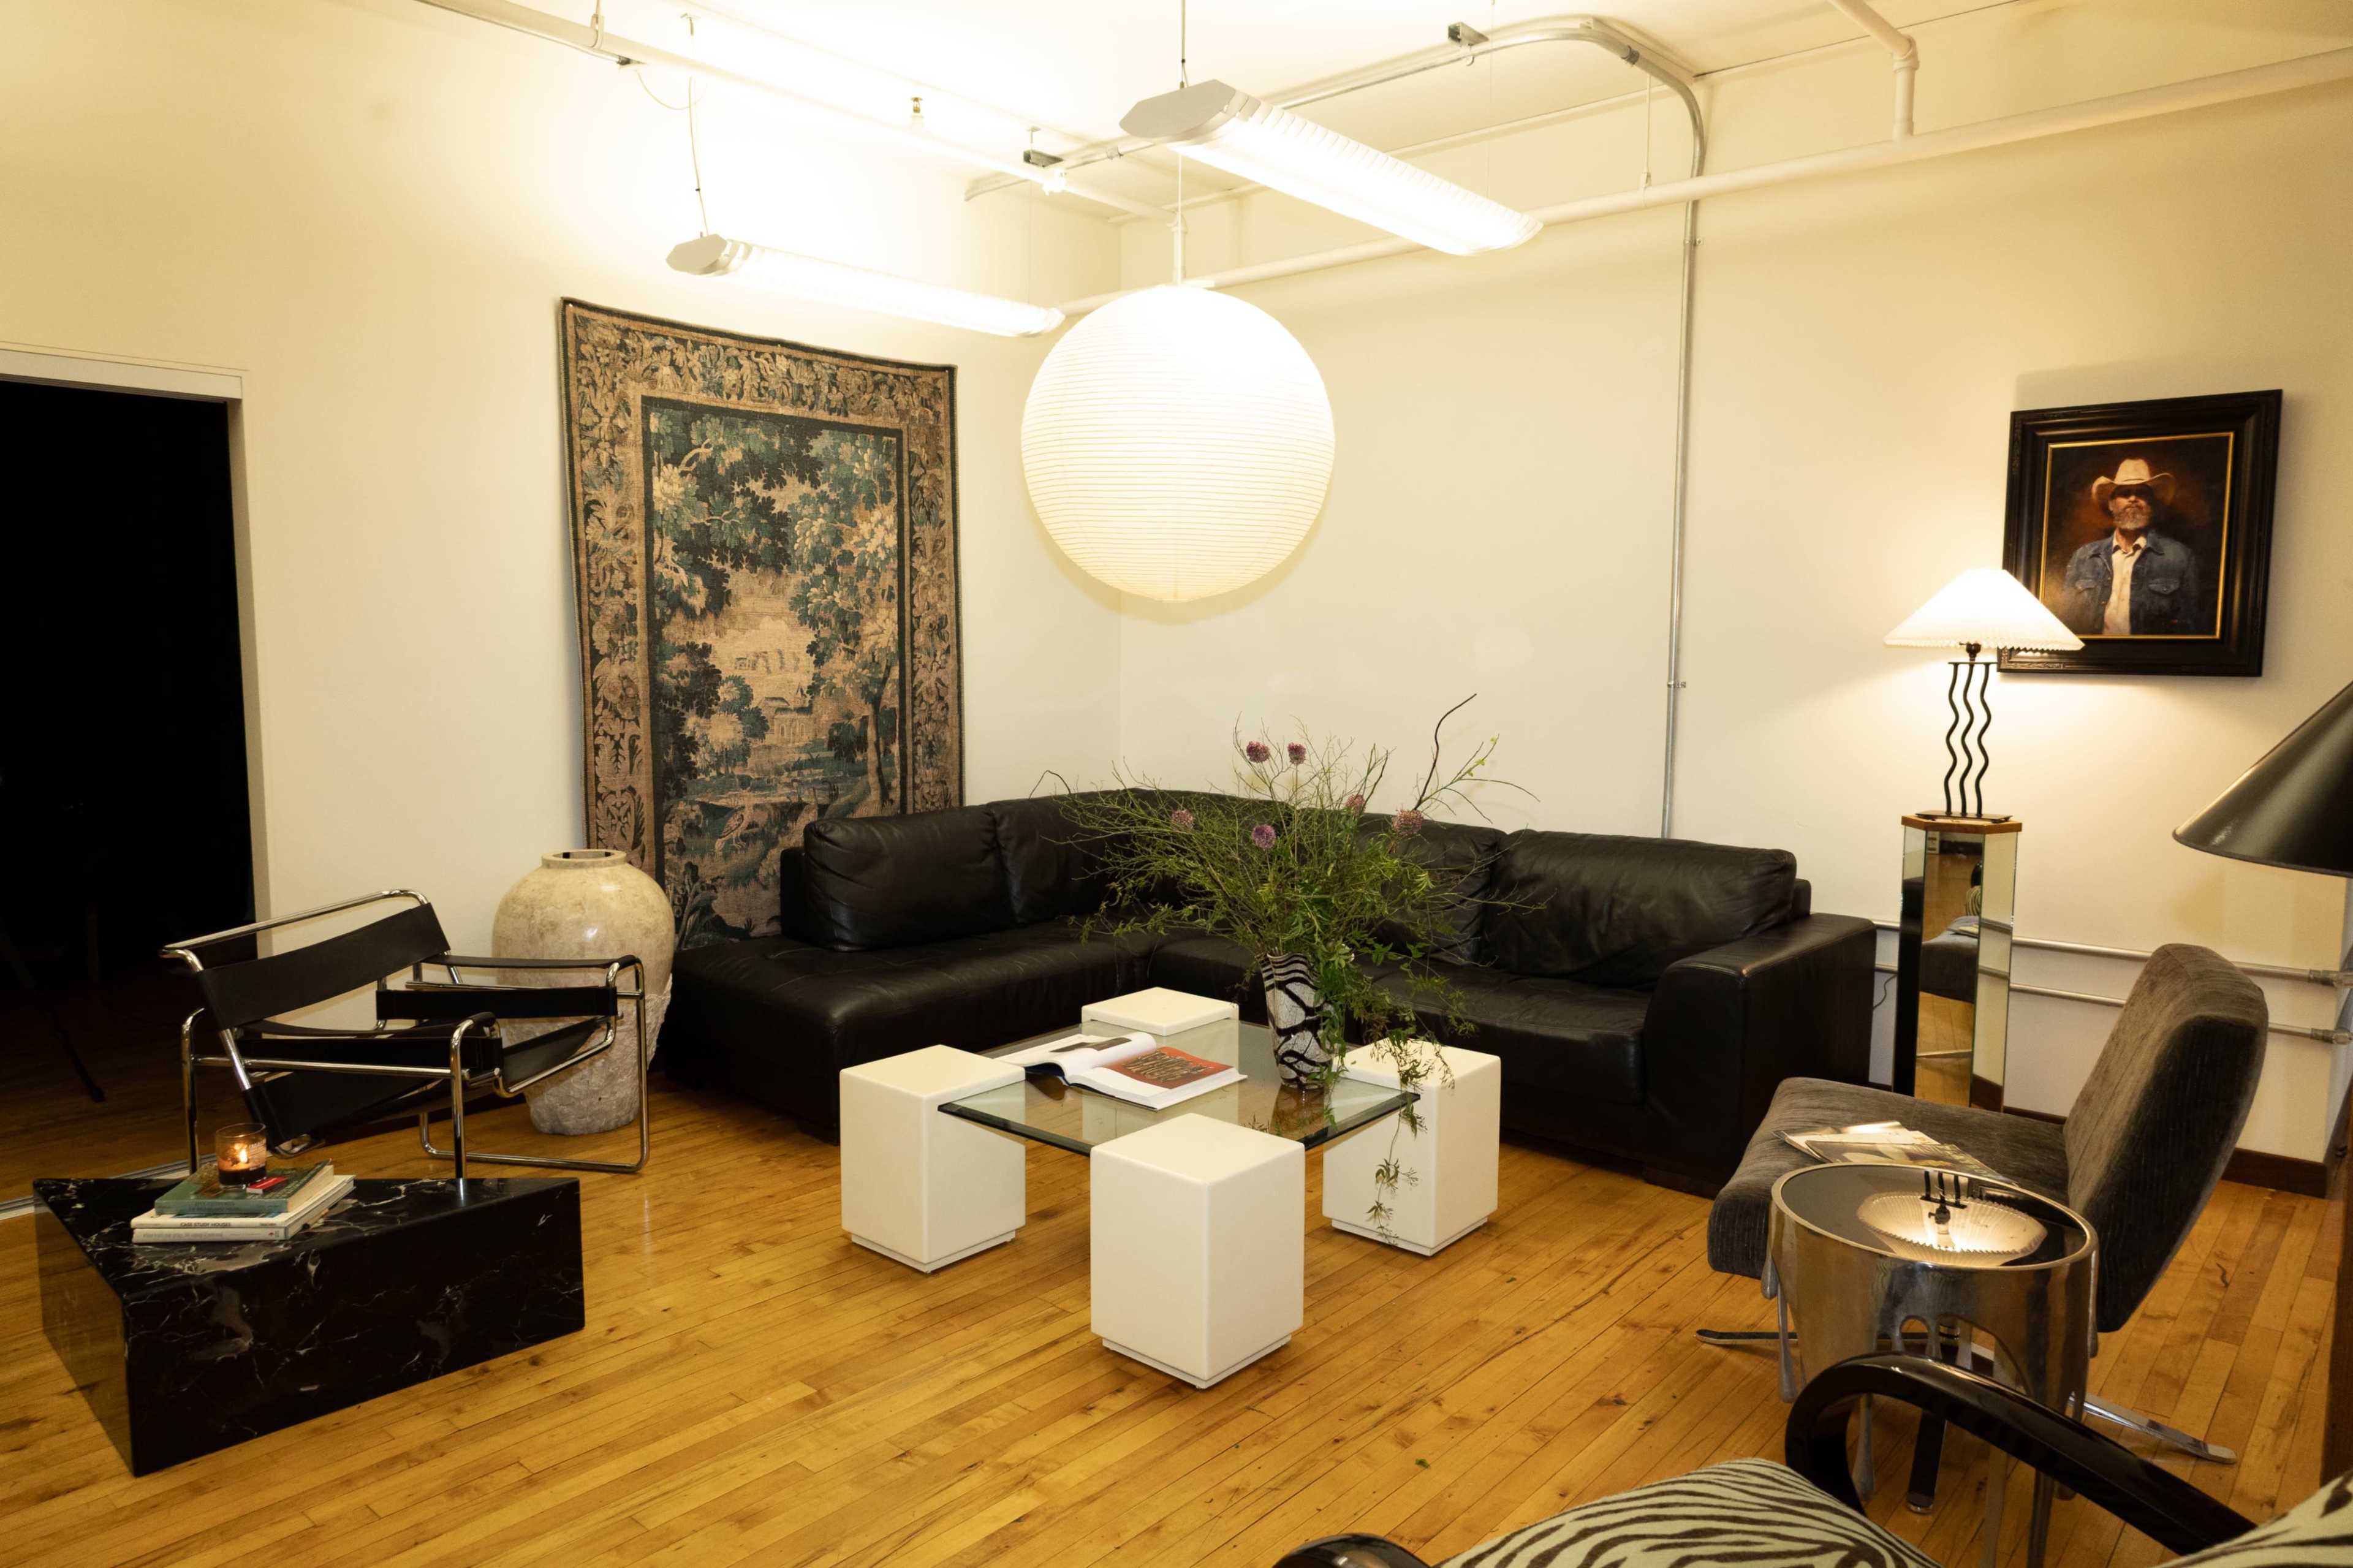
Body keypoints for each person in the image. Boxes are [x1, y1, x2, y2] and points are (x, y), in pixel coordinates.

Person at [2055, 456, 2206, 635]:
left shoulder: (2180, 558)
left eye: (2141, 494)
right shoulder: (2083, 557)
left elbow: (2191, 627)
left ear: (2152, 504)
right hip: (2092, 658)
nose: (2133, 499)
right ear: (2111, 504)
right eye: (2125, 493)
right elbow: (2065, 623)